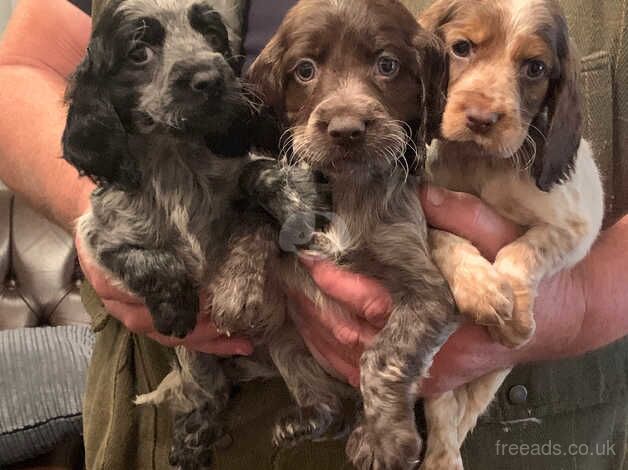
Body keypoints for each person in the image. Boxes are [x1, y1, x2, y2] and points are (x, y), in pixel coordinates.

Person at [0, 0, 625, 469]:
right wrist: (123, 218)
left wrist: (577, 306)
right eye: (305, 71)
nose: (348, 105)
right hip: (189, 412)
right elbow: (21, 66)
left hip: (514, 425)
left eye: (388, 66)